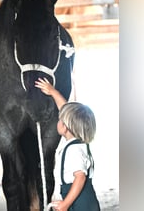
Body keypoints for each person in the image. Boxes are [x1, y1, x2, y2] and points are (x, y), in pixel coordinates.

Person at [35, 77, 100, 211]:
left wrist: (64, 205)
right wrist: (53, 92)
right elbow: (67, 112)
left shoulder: (74, 150)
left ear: (66, 127)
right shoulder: (77, 143)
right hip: (80, 198)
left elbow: (80, 178)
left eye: (60, 119)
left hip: (80, 202)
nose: (58, 120)